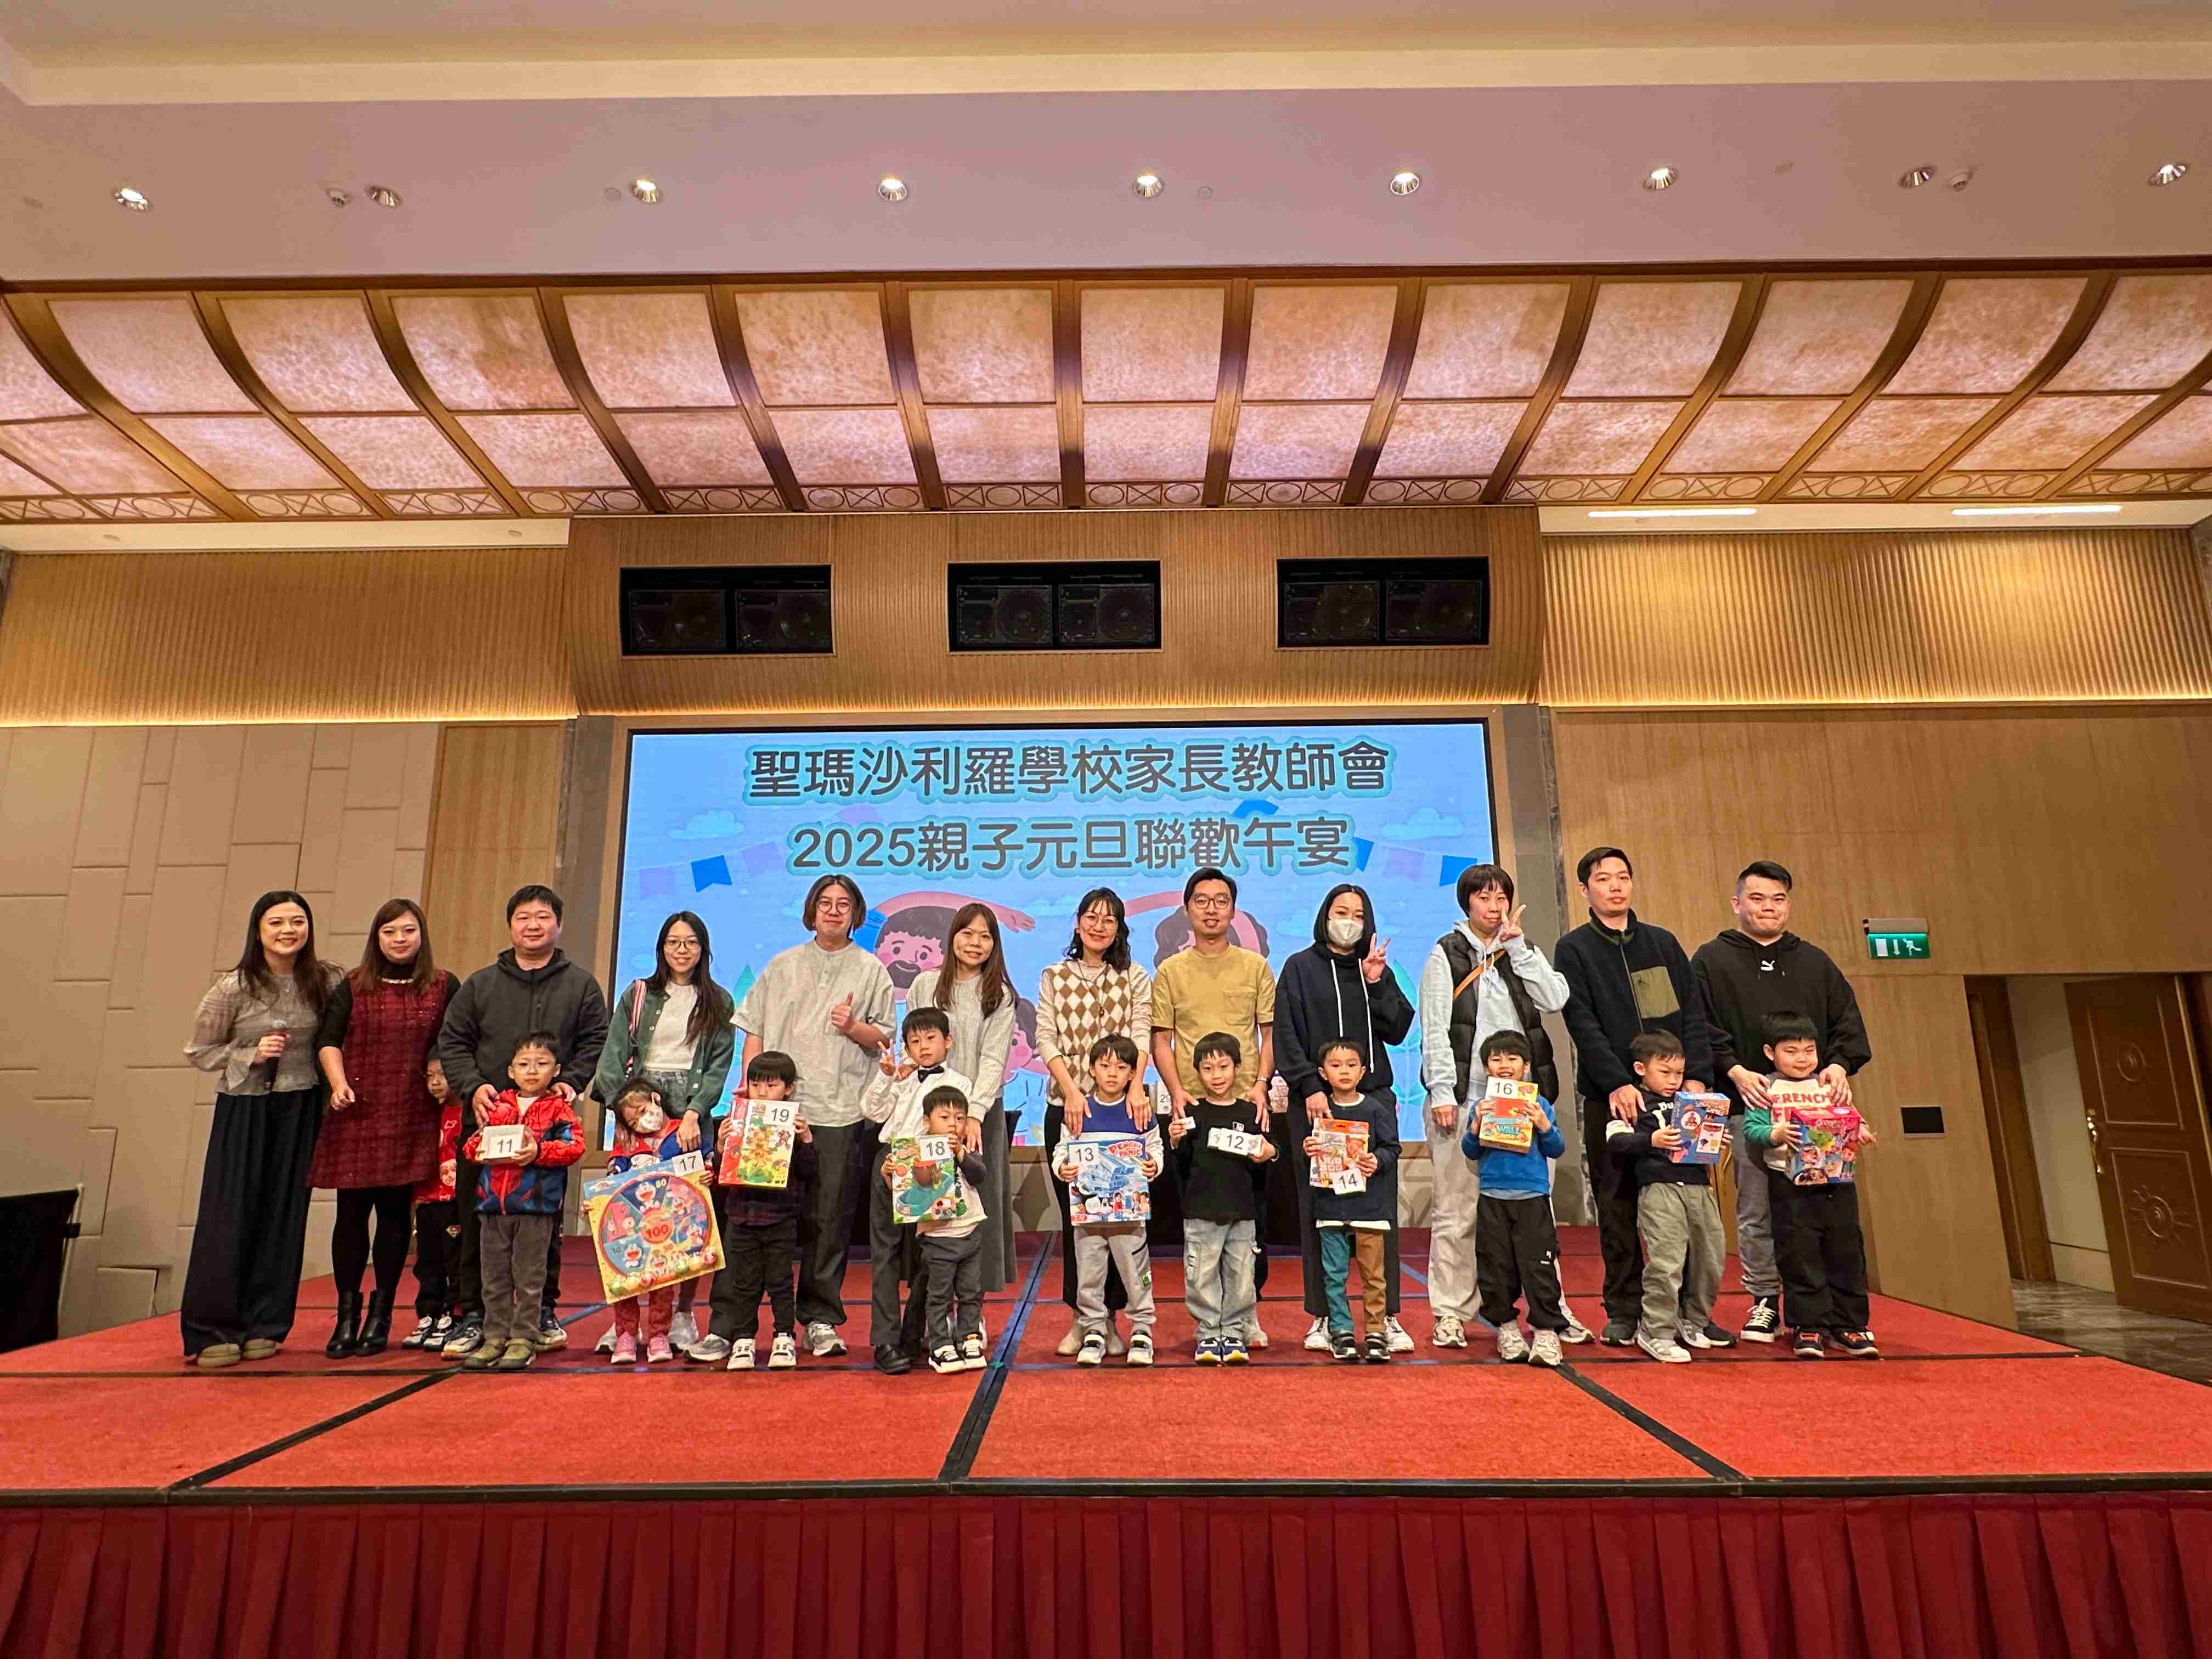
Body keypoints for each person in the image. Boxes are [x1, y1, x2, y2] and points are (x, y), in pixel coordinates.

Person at [1692, 862, 1874, 1345]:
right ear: (1737, 904)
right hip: (1750, 1106)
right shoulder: (1711, 959)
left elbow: (1848, 1025)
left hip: (1817, 1112)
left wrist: (1839, 1066)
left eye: (1778, 899)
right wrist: (1733, 1068)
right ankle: (1765, 1301)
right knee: (1757, 1211)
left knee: (1826, 1218)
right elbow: (1697, 1025)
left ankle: (1829, 1312)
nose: (1768, 908)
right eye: (1757, 899)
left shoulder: (1814, 961)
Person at [435, 885, 610, 1360]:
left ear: (559, 925)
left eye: (543, 916)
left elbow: (596, 1040)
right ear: (510, 925)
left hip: (546, 1128)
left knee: (543, 1226)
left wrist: (571, 1081)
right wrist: (474, 1086)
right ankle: (476, 1315)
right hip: (488, 1118)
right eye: (524, 917)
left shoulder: (581, 986)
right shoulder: (481, 985)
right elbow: (453, 1041)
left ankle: (541, 1313)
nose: (533, 925)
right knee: (477, 1222)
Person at [1415, 863, 1579, 1353]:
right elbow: (1435, 1026)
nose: (1494, 906)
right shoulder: (1445, 953)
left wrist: (1519, 948)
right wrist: (1443, 1092)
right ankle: (1451, 1312)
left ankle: (1551, 1310)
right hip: (1468, 1098)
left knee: (1536, 1213)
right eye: (1484, 898)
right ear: (1467, 903)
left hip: (1525, 1100)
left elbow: (1556, 997)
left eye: (1501, 897)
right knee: (1458, 1212)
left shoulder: (1519, 950)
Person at [1554, 848, 1713, 1347]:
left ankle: (1690, 1312)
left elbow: (1693, 1013)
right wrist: (1617, 1082)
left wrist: (1697, 1077)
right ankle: (1624, 1308)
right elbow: (1582, 1022)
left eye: (1623, 877)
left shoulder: (1662, 943)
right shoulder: (1574, 948)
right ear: (1586, 890)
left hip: (1677, 1096)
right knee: (1618, 1204)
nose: (1616, 887)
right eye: (1604, 879)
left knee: (1688, 1204)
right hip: (1614, 1097)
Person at [732, 872, 893, 1360]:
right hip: (775, 1113)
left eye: (844, 904)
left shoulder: (871, 969)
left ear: (856, 913)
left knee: (830, 1219)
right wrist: (751, 1094)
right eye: (825, 902)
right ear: (811, 910)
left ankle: (819, 1318)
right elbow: (754, 1029)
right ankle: (737, 1325)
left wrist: (853, 1026)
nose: (834, 911)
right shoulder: (783, 965)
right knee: (752, 1220)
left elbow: (885, 1039)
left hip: (841, 1109)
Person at [179, 890, 344, 1368]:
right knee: (230, 1214)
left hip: (302, 1105)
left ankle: (265, 1323)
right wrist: (250, 1055)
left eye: (297, 921)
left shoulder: (326, 980)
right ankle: (212, 1329)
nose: (288, 931)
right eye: (277, 923)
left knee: (284, 1214)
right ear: (258, 930)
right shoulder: (233, 987)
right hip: (246, 1107)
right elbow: (198, 1051)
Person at [311, 899, 459, 1359]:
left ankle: (381, 1316)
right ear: (376, 937)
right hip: (356, 1110)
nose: (399, 939)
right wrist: (338, 1085)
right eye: (390, 931)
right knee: (351, 1217)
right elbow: (328, 1041)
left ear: (422, 935)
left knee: (396, 1219)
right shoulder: (353, 985)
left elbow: (454, 1045)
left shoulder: (444, 985)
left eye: (408, 930)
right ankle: (347, 1317)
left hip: (412, 1113)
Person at [1277, 883, 1416, 1356]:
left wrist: (1376, 983)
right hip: (1316, 1105)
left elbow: (1398, 1029)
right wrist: (1310, 1087)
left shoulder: (1374, 967)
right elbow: (1287, 1035)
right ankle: (1323, 1315)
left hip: (1371, 1102)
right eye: (1341, 912)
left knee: (1379, 1215)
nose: (1349, 922)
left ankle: (1386, 1316)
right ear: (1325, 916)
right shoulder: (1299, 968)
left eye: (1358, 915)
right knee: (1319, 1213)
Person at [591, 911, 736, 1352]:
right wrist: (627, 1113)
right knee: (632, 1213)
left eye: (690, 942)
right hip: (641, 1102)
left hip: (690, 1107)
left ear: (703, 949)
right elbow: (614, 1055)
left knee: (688, 1213)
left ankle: (681, 1315)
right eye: (673, 942)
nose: (681, 950)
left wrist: (694, 1113)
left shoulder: (719, 1000)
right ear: (661, 948)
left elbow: (718, 1066)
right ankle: (626, 1323)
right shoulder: (637, 993)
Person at [1151, 867, 1275, 1348]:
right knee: (1201, 1215)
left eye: (1221, 901)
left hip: (1246, 1105)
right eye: (1201, 901)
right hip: (1194, 1108)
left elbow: (1268, 1033)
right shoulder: (1171, 971)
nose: (1211, 909)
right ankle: (1209, 1322)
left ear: (1233, 909)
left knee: (1250, 1213)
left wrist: (1261, 1085)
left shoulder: (1255, 966)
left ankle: (1247, 1314)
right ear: (1187, 909)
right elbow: (1161, 1040)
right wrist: (1176, 1091)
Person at [1035, 888, 1153, 1356]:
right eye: (1091, 916)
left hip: (1123, 1109)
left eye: (1109, 919)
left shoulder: (1134, 976)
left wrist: (1137, 1087)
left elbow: (1141, 1032)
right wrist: (1071, 1092)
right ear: (1078, 922)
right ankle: (1083, 1321)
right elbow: (1046, 1037)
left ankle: (1117, 1321)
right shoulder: (1055, 975)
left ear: (1120, 928)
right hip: (1069, 1108)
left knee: (1121, 1219)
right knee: (1080, 1221)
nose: (1099, 926)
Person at [1745, 1011, 1881, 1360]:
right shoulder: (1766, 1088)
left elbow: (1851, 1116)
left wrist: (1861, 1130)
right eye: (1791, 1051)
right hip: (1790, 1184)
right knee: (1799, 1254)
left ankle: (1849, 1323)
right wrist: (1775, 1133)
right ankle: (1809, 1325)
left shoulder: (1827, 1083)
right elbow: (1752, 1130)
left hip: (1837, 1181)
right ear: (1770, 1052)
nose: (1802, 1059)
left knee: (1846, 1251)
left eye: (1809, 1050)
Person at [1603, 1031, 1733, 1364]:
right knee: (1666, 1261)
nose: (1674, 1080)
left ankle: (1694, 1320)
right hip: (1660, 1189)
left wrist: (1714, 1137)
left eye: (1679, 1073)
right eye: (1665, 1072)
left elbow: (1701, 1139)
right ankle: (1656, 1330)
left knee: (1711, 1257)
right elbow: (1616, 1140)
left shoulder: (1689, 1102)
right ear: (1641, 1069)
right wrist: (1652, 1140)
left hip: (1699, 1188)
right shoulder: (1634, 1103)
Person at [907, 903, 1018, 1292]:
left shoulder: (1000, 994)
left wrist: (974, 1114)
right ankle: (934, 1304)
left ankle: (973, 1307)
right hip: (928, 1112)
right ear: (953, 936)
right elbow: (914, 1045)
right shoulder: (925, 985)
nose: (975, 943)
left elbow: (994, 1059)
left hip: (979, 1114)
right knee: (929, 1204)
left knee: (978, 1206)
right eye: (967, 933)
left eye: (985, 936)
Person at [458, 1032, 584, 1372]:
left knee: (529, 1277)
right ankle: (494, 1335)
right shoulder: (498, 1105)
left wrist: (538, 1151)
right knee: (494, 1277)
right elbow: (472, 1145)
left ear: (556, 1070)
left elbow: (575, 1147)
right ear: (511, 1071)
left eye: (542, 1064)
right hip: (492, 1207)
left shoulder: (559, 1108)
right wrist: (478, 1150)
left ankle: (524, 1337)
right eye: (524, 1064)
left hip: (535, 1208)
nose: (532, 1071)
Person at [859, 1006, 974, 1374]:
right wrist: (886, 1077)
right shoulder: (900, 1078)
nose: (923, 1047)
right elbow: (872, 1111)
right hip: (893, 1159)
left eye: (930, 1039)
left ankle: (913, 1333)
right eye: (914, 1041)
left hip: (935, 1163)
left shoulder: (960, 1084)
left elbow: (955, 1128)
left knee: (932, 1254)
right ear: (906, 1047)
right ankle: (885, 1341)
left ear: (948, 1041)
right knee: (886, 1254)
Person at [694, 1051, 816, 1372]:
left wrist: (805, 1139)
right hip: (742, 1216)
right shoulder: (735, 1121)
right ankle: (744, 1338)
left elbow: (810, 1173)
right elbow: (722, 1176)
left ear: (788, 1089)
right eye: (756, 1084)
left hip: (781, 1217)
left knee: (780, 1282)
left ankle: (784, 1337)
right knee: (743, 1283)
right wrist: (722, 1146)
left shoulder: (795, 1124)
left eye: (771, 1085)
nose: (762, 1092)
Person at [1458, 1031, 1569, 1368]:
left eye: (1512, 1059)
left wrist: (1543, 1125)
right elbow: (1470, 1151)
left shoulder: (1540, 1104)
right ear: (1486, 1068)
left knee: (1539, 1267)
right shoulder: (1481, 1106)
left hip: (1532, 1198)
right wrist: (1476, 1126)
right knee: (1496, 1267)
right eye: (1496, 1059)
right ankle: (1506, 1329)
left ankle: (1546, 1331)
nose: (1504, 1065)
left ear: (1526, 1066)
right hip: (1492, 1197)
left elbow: (1557, 1148)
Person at [1052, 1034, 1160, 1367]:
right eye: (1105, 1065)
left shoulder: (1139, 1110)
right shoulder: (1080, 1109)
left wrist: (1154, 1165)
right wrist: (1062, 1168)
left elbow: (1155, 1147)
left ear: (1132, 1074)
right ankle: (1094, 1330)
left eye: (1122, 1067)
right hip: (1089, 1218)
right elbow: (1062, 1149)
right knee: (1089, 1275)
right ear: (1092, 1069)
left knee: (1136, 1274)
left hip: (1130, 1217)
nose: (1112, 1073)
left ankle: (1142, 1330)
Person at [1169, 1031, 1274, 1365]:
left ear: (1238, 1067)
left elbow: (1265, 1156)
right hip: (1201, 1210)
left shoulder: (1250, 1112)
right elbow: (1182, 1165)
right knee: (1201, 1275)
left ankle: (1233, 1332)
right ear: (1197, 1073)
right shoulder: (1192, 1113)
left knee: (1242, 1277)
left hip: (1242, 1211)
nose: (1217, 1076)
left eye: (1224, 1067)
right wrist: (1176, 1142)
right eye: (1208, 1069)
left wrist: (1270, 1152)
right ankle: (1207, 1334)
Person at [1304, 1038, 1401, 1364]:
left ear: (1363, 1071)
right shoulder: (1319, 1111)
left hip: (1369, 1209)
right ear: (1322, 1073)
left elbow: (1392, 1148)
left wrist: (1376, 1160)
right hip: (1331, 1208)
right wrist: (1309, 1149)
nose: (1343, 1071)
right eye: (1335, 1065)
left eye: (1351, 1065)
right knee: (1334, 1275)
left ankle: (1376, 1332)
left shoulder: (1376, 1110)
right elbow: (1310, 1154)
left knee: (1374, 1276)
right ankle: (1341, 1330)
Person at [603, 1077, 687, 1365]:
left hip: (668, 1223)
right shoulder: (628, 1144)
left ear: (655, 1099)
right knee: (625, 1277)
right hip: (632, 1224)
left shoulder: (682, 1132)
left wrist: (706, 1175)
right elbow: (613, 1176)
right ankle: (626, 1333)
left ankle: (659, 1334)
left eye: (642, 1111)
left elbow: (699, 1166)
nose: (641, 1122)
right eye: (633, 1121)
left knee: (663, 1281)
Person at [911, 1086, 992, 1375]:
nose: (953, 1124)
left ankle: (969, 1338)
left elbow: (979, 1175)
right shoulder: (916, 1150)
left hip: (969, 1232)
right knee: (939, 1296)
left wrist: (960, 1154)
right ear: (927, 1121)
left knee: (971, 1293)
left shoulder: (965, 1147)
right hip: (937, 1238)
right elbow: (908, 1191)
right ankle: (941, 1345)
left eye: (959, 1118)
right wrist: (892, 1171)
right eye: (944, 1117)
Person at [404, 1058, 463, 1349]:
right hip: (427, 1198)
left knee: (455, 1259)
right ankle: (428, 1313)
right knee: (428, 1260)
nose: (436, 1083)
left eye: (443, 1075)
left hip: (455, 1201)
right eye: (430, 1076)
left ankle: (452, 1314)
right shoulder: (427, 1113)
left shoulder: (469, 1112)